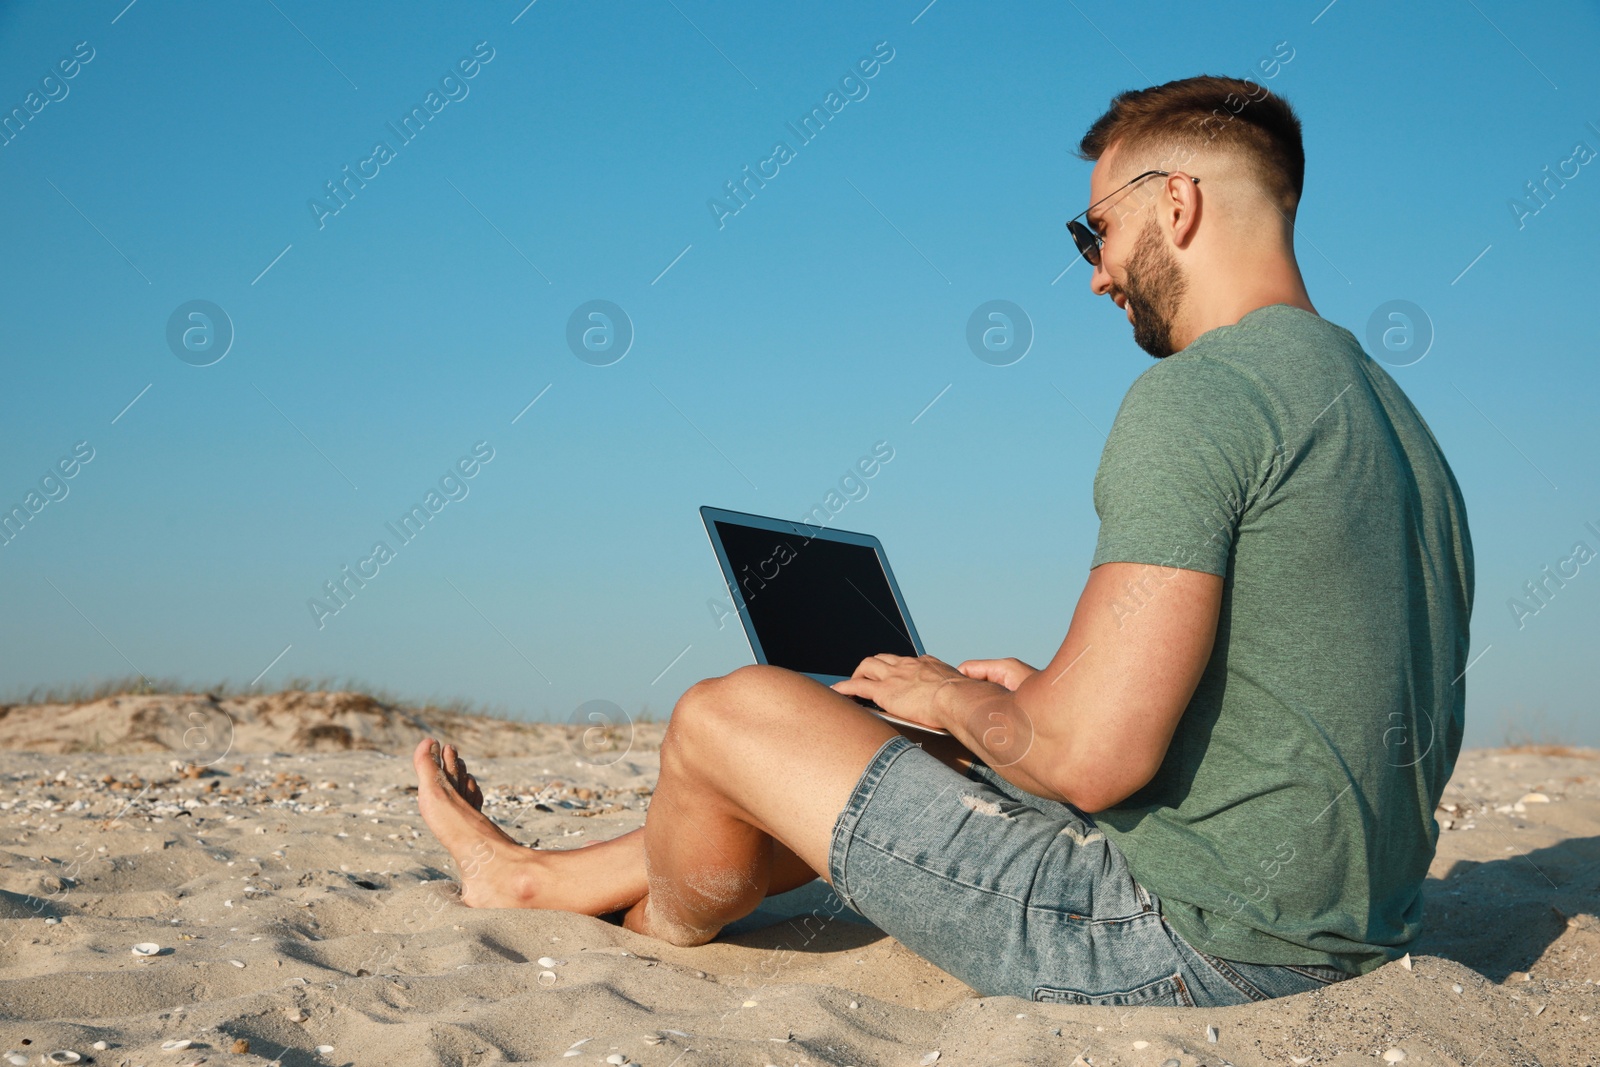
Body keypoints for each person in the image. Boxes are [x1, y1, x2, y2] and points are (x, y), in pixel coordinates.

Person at [413, 73, 1474, 1007]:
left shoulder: (1201, 395)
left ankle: (643, 920)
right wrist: (1006, 704)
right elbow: (1288, 700)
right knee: (911, 727)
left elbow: (1094, 758)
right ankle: (542, 879)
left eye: (1091, 231)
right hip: (1361, 927)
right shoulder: (1399, 423)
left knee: (725, 716)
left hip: (1190, 942)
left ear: (1178, 204)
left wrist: (961, 697)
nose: (1096, 274)